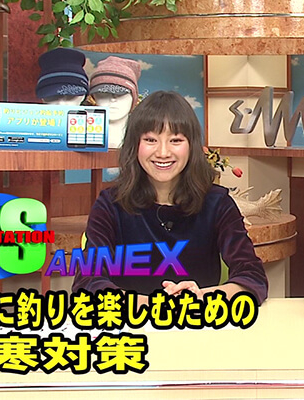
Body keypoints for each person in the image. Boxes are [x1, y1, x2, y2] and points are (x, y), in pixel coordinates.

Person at [72, 91, 268, 303]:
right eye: (150, 140)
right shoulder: (110, 205)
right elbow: (87, 283)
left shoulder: (217, 203)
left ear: (191, 145)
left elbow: (252, 277)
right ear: (134, 145)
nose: (163, 152)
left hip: (198, 318)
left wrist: (202, 297)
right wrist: (153, 304)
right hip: (131, 320)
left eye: (175, 140)